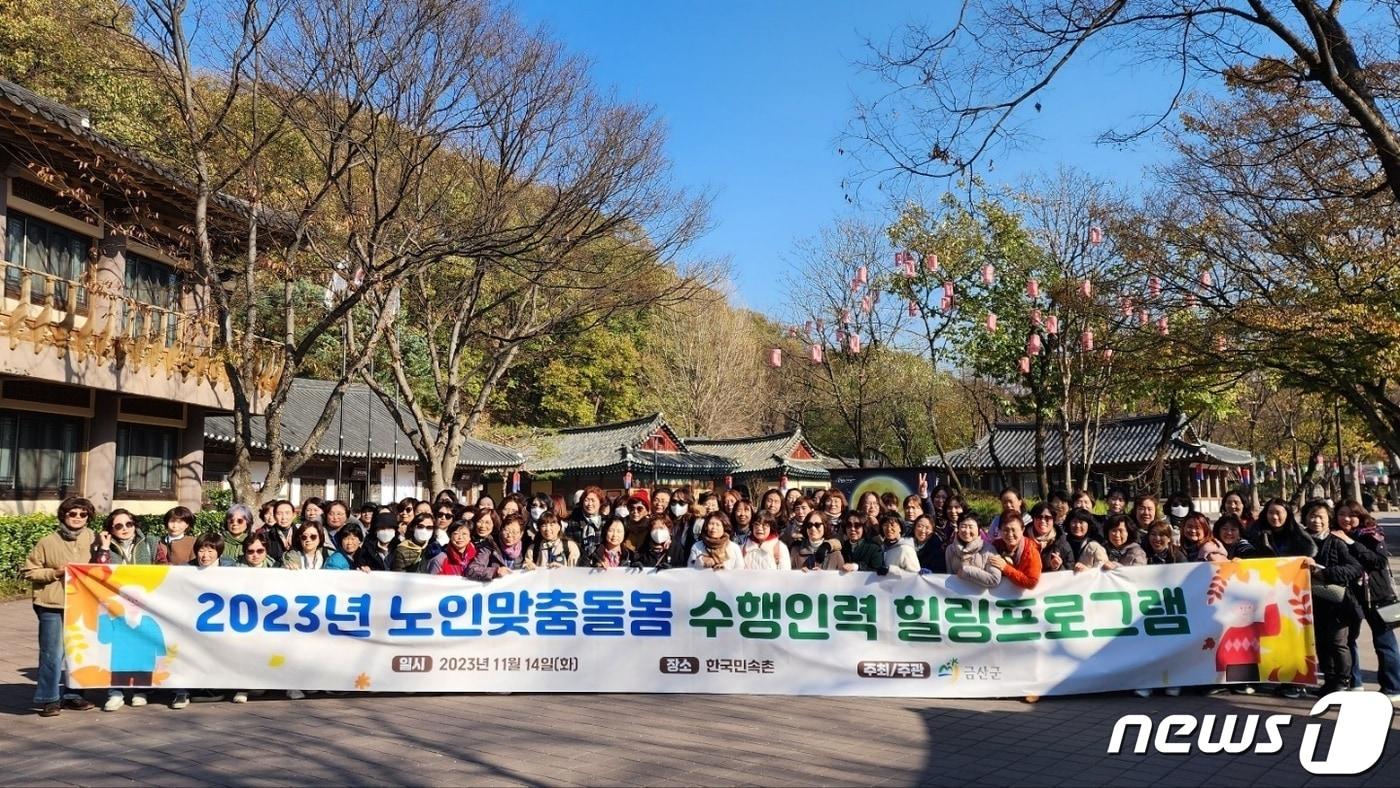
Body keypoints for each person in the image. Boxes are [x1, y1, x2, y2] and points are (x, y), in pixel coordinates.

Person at [24, 496, 99, 717]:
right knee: (52, 653)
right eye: (72, 513)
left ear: (88, 517)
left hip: (84, 603)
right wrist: (54, 573)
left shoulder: (95, 539)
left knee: (79, 651)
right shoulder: (47, 541)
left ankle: (74, 694)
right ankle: (49, 698)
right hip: (52, 604)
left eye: (83, 514)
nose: (77, 518)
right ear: (64, 515)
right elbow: (29, 571)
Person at [1335, 501, 1400, 699]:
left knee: (1384, 642)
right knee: (1347, 640)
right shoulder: (1334, 535)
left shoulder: (1371, 534)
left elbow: (1379, 561)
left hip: (1379, 595)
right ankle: (1355, 682)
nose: (1346, 518)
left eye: (1351, 514)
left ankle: (1393, 687)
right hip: (1350, 596)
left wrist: (1351, 543)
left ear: (1360, 516)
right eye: (1341, 514)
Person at [1302, 500, 1364, 694]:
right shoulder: (1300, 542)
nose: (1316, 520)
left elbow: (1355, 568)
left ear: (1329, 519)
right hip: (1311, 603)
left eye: (1320, 516)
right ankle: (1329, 680)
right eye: (1312, 516)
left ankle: (1342, 681)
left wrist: (1325, 573)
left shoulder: (1337, 541)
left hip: (1338, 604)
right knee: (1320, 642)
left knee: (1338, 643)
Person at [1247, 498, 1316, 562]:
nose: (1274, 517)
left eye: (1278, 513)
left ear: (1287, 514)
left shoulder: (1299, 536)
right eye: (1271, 512)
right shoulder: (1255, 533)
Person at [92, 510, 167, 567]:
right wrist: (104, 548)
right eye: (119, 526)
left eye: (129, 524)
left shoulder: (151, 542)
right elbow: (101, 571)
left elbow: (164, 569)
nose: (125, 528)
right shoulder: (105, 548)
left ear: (134, 525)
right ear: (111, 530)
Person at [946, 513, 1002, 588]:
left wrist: (968, 571)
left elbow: (995, 579)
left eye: (971, 527)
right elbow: (948, 576)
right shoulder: (950, 549)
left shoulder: (989, 550)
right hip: (957, 596)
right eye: (963, 526)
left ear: (979, 530)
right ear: (958, 528)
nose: (967, 531)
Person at [990, 518, 1041, 590]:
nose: (1010, 534)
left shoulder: (1031, 550)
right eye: (1005, 530)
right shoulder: (995, 546)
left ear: (1022, 530)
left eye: (1014, 530)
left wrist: (1006, 568)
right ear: (1000, 531)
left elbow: (1031, 582)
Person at [283, 521, 350, 570]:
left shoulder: (330, 554)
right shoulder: (290, 556)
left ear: (320, 538)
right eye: (304, 537)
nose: (308, 540)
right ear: (299, 539)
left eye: (313, 537)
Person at [1028, 502, 1073, 573]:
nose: (1043, 521)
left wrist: (1058, 567)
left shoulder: (1062, 543)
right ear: (1033, 519)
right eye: (1039, 517)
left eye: (1047, 518)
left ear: (1053, 520)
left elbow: (1070, 573)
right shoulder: (1021, 540)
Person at [566, 486, 606, 556]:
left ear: (600, 502)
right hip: (579, 563)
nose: (589, 504)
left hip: (601, 562)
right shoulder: (573, 522)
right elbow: (568, 543)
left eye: (593, 500)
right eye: (586, 500)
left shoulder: (606, 522)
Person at [260, 500, 298, 565]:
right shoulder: (266, 537)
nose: (283, 517)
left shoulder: (301, 535)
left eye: (287, 513)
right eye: (279, 514)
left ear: (294, 515)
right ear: (274, 516)